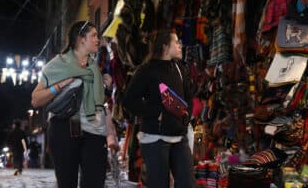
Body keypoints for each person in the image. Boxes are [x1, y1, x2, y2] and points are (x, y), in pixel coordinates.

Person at [31, 20, 118, 188]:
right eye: (93, 36)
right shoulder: (58, 64)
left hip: (94, 133)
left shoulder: (94, 68)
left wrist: (110, 132)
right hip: (65, 128)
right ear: (80, 39)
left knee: (95, 182)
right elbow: (35, 99)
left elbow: (100, 105)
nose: (97, 40)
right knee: (67, 182)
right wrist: (59, 85)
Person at [122, 30, 195, 188]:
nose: (180, 45)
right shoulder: (146, 70)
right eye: (176, 42)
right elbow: (129, 100)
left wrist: (185, 118)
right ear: (165, 47)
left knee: (187, 183)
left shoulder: (179, 69)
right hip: (155, 139)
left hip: (179, 137)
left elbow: (189, 97)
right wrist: (155, 113)